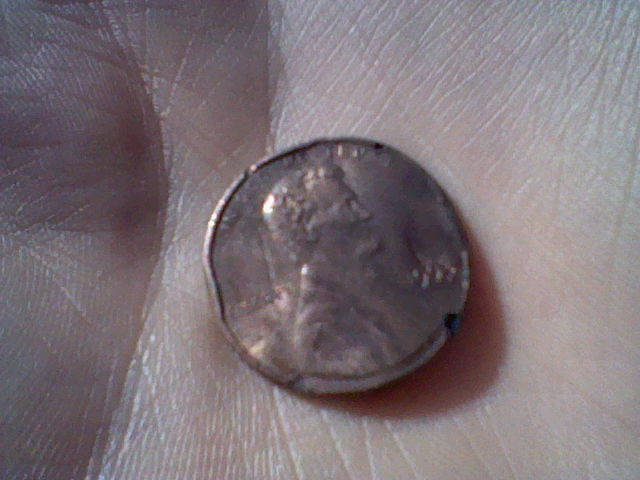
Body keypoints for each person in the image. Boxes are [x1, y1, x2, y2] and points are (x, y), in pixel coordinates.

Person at [1, 1, 637, 479]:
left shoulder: (376, 313)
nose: (363, 212)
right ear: (310, 233)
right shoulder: (322, 336)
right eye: (345, 207)